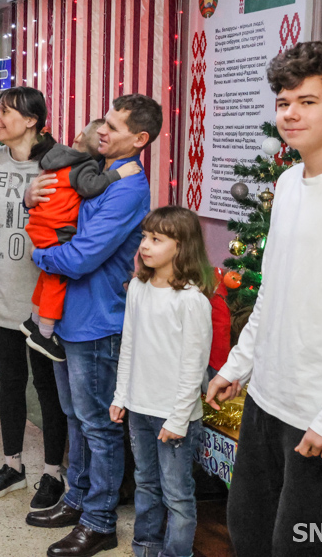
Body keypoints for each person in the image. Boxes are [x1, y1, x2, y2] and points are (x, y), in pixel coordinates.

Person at [206, 41, 322, 556]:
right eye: (283, 102)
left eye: (307, 101)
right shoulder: (288, 181)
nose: (290, 113)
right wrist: (238, 365)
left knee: (313, 547)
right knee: (250, 534)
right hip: (267, 400)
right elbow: (274, 290)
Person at [24, 93, 161, 557]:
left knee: (99, 426)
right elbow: (58, 209)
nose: (102, 130)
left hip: (99, 320)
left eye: (115, 127)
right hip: (71, 314)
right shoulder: (97, 172)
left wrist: (40, 254)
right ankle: (78, 499)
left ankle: (99, 521)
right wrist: (29, 198)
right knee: (76, 417)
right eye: (104, 121)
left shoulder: (128, 189)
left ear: (139, 139)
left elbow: (81, 256)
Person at [0, 87, 69, 512]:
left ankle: (53, 472)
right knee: (9, 380)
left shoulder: (58, 162)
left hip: (45, 297)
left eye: (5, 111)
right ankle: (12, 466)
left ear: (31, 120)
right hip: (0, 288)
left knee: (47, 386)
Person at [110, 206, 213, 557]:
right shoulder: (138, 288)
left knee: (177, 495)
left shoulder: (191, 300)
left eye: (156, 239)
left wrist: (178, 418)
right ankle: (146, 548)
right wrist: (121, 396)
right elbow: (129, 345)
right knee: (146, 485)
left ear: (181, 246)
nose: (145, 245)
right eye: (144, 237)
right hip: (139, 409)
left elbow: (194, 367)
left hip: (174, 416)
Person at [22, 117, 141, 361]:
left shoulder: (58, 158)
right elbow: (90, 188)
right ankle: (43, 334)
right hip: (57, 233)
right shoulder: (85, 166)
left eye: (112, 128)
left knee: (46, 278)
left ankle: (33, 321)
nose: (105, 134)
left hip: (40, 227)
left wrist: (28, 203)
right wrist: (118, 174)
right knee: (55, 280)